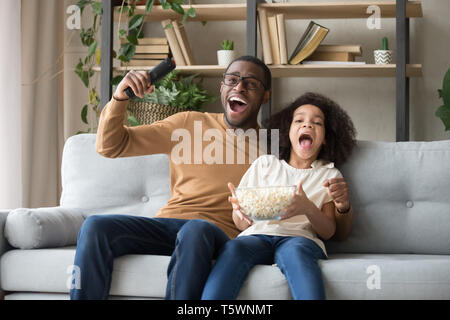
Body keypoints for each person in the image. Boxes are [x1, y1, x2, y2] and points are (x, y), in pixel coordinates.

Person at [69, 56, 353, 300]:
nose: (238, 87)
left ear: (265, 95)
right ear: (222, 86)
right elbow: (110, 146)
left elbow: (323, 216)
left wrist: (338, 204)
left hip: (213, 233)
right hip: (167, 225)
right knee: (95, 226)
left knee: (196, 229)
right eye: (231, 79)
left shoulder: (273, 147)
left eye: (250, 83)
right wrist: (120, 97)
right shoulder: (186, 124)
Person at [201, 92, 356, 300]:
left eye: (317, 123)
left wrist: (307, 208)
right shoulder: (265, 164)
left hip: (299, 239)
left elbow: (329, 231)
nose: (307, 126)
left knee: (297, 254)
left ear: (326, 138)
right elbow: (241, 224)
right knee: (234, 249)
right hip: (256, 236)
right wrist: (239, 213)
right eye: (299, 120)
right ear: (288, 131)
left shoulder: (328, 174)